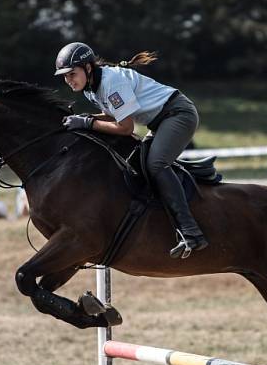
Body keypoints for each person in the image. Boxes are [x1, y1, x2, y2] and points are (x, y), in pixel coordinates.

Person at [54, 42, 207, 258]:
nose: (69, 80)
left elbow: (126, 128)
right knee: (139, 162)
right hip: (161, 120)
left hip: (178, 114)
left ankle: (191, 232)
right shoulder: (90, 88)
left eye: (72, 73)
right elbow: (115, 114)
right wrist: (86, 118)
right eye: (65, 76)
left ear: (88, 68)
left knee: (155, 164)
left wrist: (87, 123)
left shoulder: (110, 82)